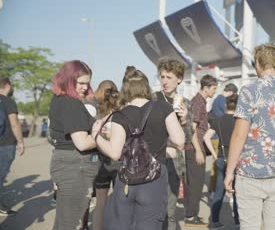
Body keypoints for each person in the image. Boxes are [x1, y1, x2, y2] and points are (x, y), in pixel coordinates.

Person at [93, 66, 185, 230]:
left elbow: (115, 153)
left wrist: (96, 136)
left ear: (126, 89)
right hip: (154, 180)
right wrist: (165, 138)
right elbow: (179, 141)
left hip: (126, 181)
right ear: (146, 87)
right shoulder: (164, 108)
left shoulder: (119, 115)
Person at [224, 43, 275, 230]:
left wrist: (229, 171)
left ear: (257, 63)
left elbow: (240, 134)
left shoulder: (249, 91)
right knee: (274, 226)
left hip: (251, 173)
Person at [48, 61, 99, 229]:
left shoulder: (61, 99)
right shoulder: (71, 102)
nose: (85, 87)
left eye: (87, 83)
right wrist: (102, 134)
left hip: (67, 165)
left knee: (64, 222)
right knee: (70, 224)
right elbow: (82, 143)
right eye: (81, 83)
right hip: (75, 167)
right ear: (69, 80)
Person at [154, 58, 192, 230]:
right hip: (154, 160)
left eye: (169, 77)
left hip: (175, 163)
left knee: (170, 210)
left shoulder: (185, 103)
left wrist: (184, 120)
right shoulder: (153, 100)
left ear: (179, 79)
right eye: (162, 77)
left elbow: (188, 139)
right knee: (152, 209)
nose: (165, 81)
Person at [184, 74, 218, 227]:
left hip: (194, 147)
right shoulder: (198, 102)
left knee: (194, 183)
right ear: (206, 88)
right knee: (196, 184)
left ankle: (191, 213)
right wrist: (198, 150)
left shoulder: (200, 102)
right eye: (214, 88)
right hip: (194, 148)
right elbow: (191, 129)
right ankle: (191, 215)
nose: (215, 91)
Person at [204, 94, 240, 229]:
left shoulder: (218, 120)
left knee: (219, 191)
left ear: (226, 105)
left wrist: (214, 154)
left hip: (221, 157)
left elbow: (207, 137)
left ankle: (215, 221)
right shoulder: (240, 121)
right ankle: (237, 221)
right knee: (237, 191)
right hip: (236, 159)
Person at [92, 80, 120, 230]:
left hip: (100, 161)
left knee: (100, 203)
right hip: (117, 160)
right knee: (119, 202)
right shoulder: (119, 111)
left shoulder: (96, 111)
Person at [0, 77, 25, 216]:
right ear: (8, 85)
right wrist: (20, 142)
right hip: (5, 145)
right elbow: (14, 123)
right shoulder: (8, 102)